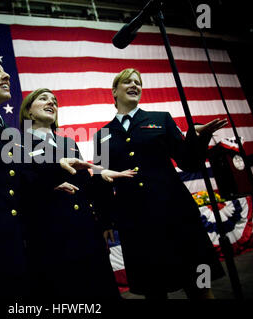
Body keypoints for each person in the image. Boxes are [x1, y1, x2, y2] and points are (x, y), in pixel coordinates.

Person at [0, 56, 98, 300]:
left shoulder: (2, 129)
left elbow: (18, 182)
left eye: (5, 71)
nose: (6, 75)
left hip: (10, 249)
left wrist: (57, 171)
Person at [93, 68, 227, 299]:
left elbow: (188, 162)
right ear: (114, 91)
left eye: (138, 82)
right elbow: (101, 179)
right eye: (128, 82)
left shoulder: (160, 119)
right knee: (153, 289)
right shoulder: (102, 135)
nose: (135, 85)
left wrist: (199, 137)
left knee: (199, 283)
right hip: (136, 221)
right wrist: (105, 221)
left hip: (175, 212)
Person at [18, 88, 136, 299]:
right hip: (51, 238)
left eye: (54, 101)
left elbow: (85, 186)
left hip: (87, 233)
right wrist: (48, 183)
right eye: (43, 99)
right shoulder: (17, 144)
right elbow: (21, 188)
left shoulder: (68, 143)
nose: (51, 103)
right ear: (29, 111)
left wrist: (102, 177)